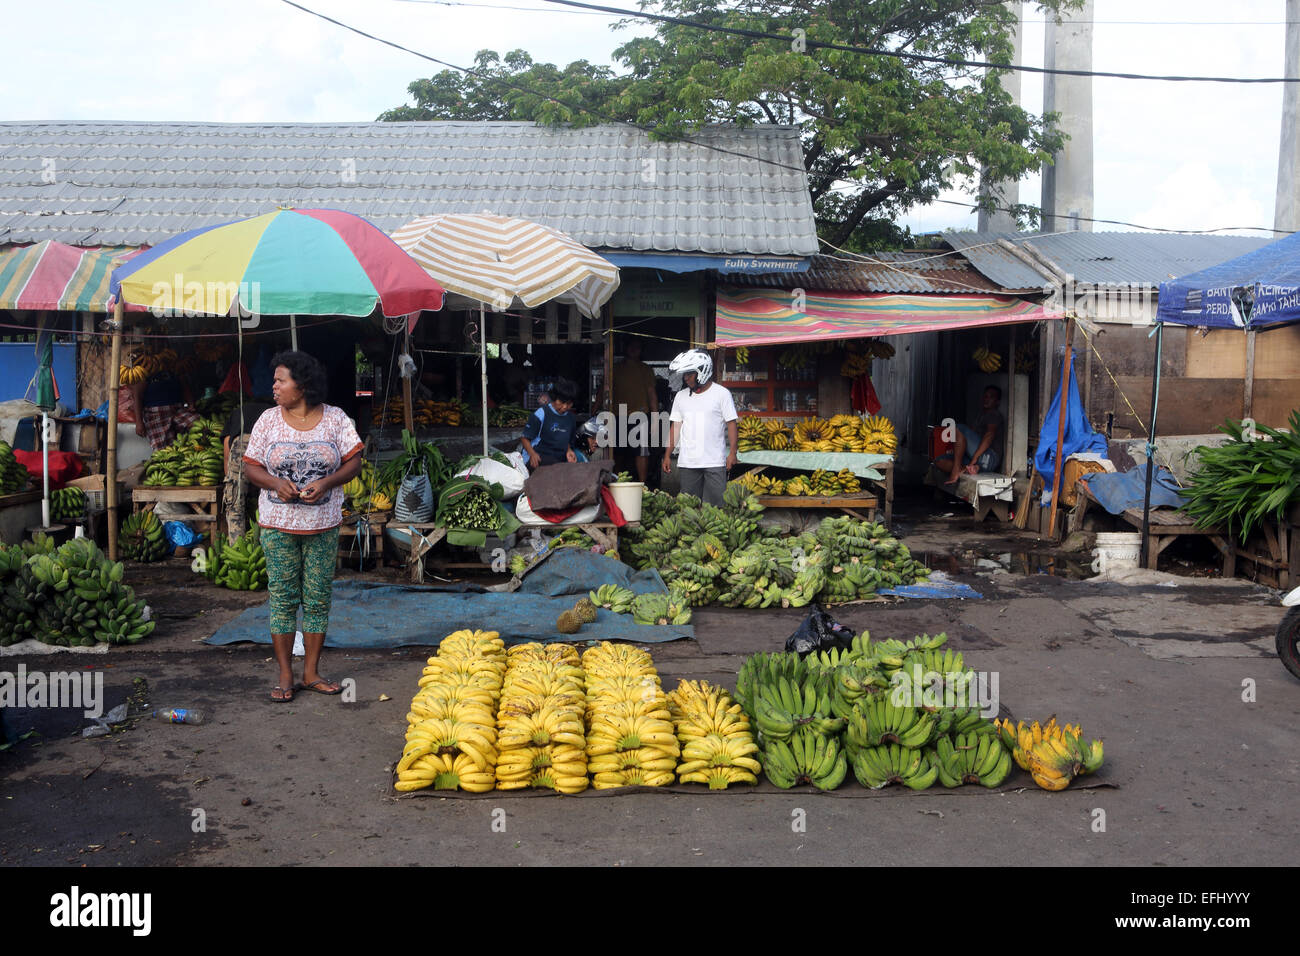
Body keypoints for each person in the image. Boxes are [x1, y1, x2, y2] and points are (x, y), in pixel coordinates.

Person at [242, 351, 364, 703]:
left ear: (303, 385)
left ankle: (311, 672)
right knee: (282, 598)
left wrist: (326, 483)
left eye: (281, 380)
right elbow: (251, 466)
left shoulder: (336, 419)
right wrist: (273, 483)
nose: (274, 387)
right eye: (275, 381)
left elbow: (354, 461)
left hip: (323, 526)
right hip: (278, 527)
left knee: (317, 600)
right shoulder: (268, 420)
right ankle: (285, 673)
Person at [662, 349, 738, 507]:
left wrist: (732, 453)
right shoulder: (680, 396)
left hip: (715, 462)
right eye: (685, 374)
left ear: (702, 372)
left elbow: (731, 424)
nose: (686, 378)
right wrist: (667, 454)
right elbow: (675, 427)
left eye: (690, 373)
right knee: (689, 509)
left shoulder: (722, 394)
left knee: (717, 508)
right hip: (688, 462)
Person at [221, 396, 275, 542]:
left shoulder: (237, 412)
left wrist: (233, 483)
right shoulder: (274, 411)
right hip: (269, 442)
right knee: (271, 497)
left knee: (235, 502)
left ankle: (237, 545)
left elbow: (227, 450)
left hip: (242, 442)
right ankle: (267, 545)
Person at [611, 338, 659, 482]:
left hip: (640, 416)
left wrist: (655, 419)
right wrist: (594, 411)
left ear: (641, 350)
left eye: (637, 347)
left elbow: (652, 394)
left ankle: (643, 485)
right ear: (625, 348)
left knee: (642, 453)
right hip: (618, 416)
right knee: (617, 453)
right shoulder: (615, 369)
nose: (634, 349)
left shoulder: (646, 369)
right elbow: (603, 390)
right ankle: (616, 483)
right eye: (631, 346)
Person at [937, 385, 1004, 484]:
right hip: (979, 461)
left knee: (959, 427)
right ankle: (970, 469)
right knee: (940, 460)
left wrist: (975, 458)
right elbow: (967, 437)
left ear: (997, 402)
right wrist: (956, 449)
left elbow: (990, 435)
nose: (987, 399)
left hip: (989, 458)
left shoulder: (994, 414)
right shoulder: (981, 415)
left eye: (991, 397)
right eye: (985, 396)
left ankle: (957, 471)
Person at [521, 377, 579, 470]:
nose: (564, 407)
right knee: (554, 466)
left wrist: (569, 451)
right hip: (537, 458)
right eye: (561, 402)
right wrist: (532, 454)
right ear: (554, 398)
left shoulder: (571, 418)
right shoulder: (541, 413)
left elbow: (568, 442)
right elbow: (524, 438)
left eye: (568, 403)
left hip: (558, 461)